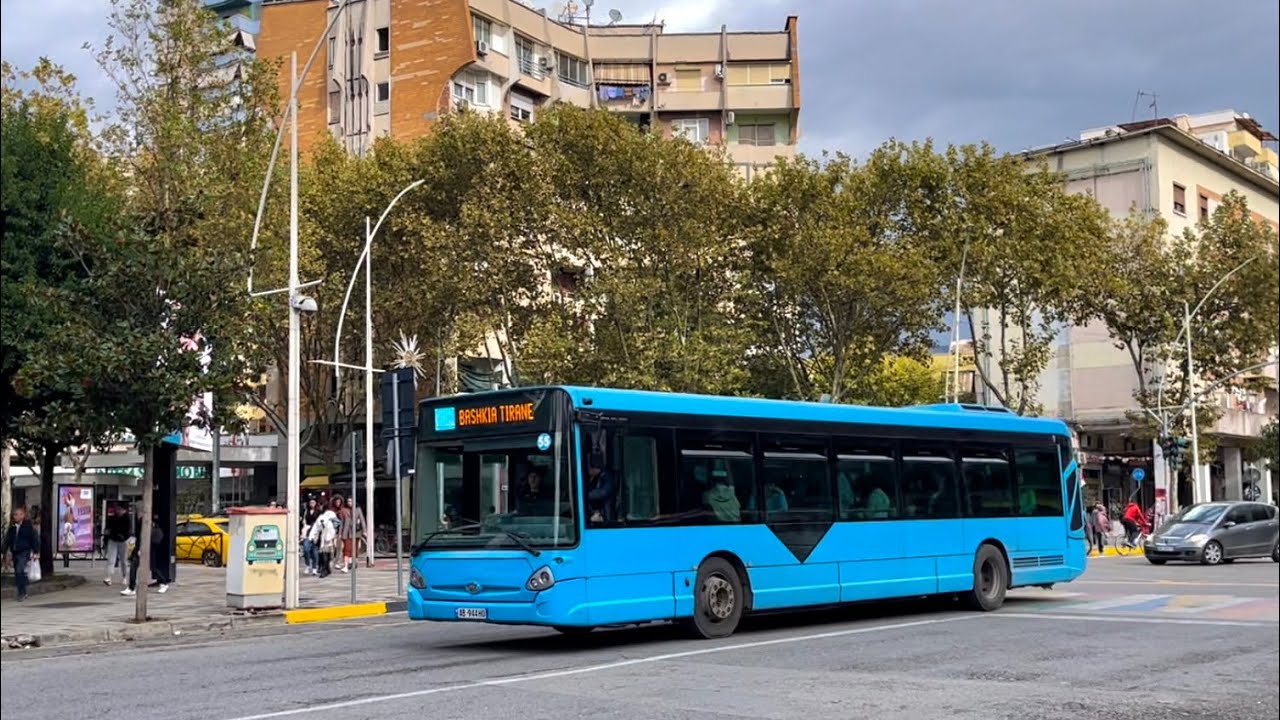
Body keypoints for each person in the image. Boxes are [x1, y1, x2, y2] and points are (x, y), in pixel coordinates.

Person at [3, 507, 41, 601]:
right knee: (18, 572)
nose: (16, 516)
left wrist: (36, 551)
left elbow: (34, 539)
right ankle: (22, 591)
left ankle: (22, 593)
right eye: (14, 515)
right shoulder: (12, 528)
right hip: (15, 552)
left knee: (20, 570)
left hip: (24, 551)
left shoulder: (28, 527)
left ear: (23, 515)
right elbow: (7, 541)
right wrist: (3, 551)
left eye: (18, 514)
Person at [308, 500, 340, 578]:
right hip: (326, 536)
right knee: (325, 554)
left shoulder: (328, 515)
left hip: (328, 536)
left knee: (325, 554)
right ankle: (325, 568)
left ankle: (325, 568)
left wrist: (311, 536)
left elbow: (316, 527)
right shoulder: (323, 516)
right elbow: (316, 527)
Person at [102, 504, 132, 586]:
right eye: (117, 509)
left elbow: (129, 531)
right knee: (111, 560)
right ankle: (109, 577)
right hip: (113, 540)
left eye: (120, 509)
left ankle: (124, 577)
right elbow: (107, 530)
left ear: (124, 510)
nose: (118, 511)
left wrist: (124, 537)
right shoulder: (112, 518)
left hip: (123, 541)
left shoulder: (127, 519)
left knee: (124, 560)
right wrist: (106, 539)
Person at [585, 454, 617, 525]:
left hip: (607, 516)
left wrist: (586, 495)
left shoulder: (606, 476)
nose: (588, 471)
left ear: (596, 468)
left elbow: (604, 492)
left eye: (589, 468)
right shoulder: (595, 477)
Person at [300, 498, 322, 576]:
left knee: (315, 551)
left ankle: (314, 568)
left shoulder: (319, 512)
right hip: (307, 532)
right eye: (311, 502)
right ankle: (307, 565)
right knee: (306, 549)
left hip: (315, 532)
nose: (312, 504)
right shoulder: (306, 511)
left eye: (313, 502)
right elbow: (303, 521)